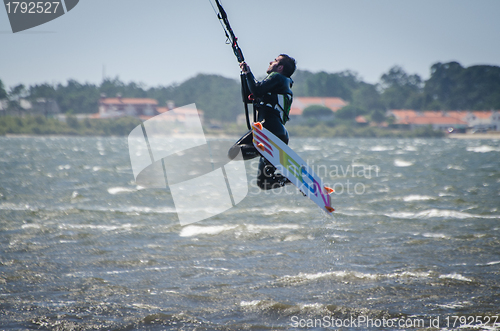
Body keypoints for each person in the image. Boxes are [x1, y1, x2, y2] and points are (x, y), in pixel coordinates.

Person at [228, 54, 296, 190]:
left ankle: (264, 150)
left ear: (280, 67)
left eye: (275, 61)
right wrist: (244, 74)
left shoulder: (277, 77)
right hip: (280, 135)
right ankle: (289, 179)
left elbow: (257, 89)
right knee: (264, 183)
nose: (271, 61)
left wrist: (248, 72)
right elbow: (249, 98)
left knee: (233, 153)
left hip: (268, 128)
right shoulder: (282, 84)